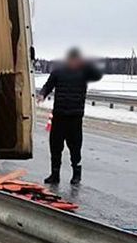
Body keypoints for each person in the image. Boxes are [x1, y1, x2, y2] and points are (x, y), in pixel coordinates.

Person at [38, 48, 103, 185]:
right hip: (59, 116)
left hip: (75, 117)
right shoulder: (58, 72)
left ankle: (76, 175)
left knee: (75, 148)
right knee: (55, 147)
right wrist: (42, 94)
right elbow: (48, 85)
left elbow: (97, 74)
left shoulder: (84, 73)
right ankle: (55, 174)